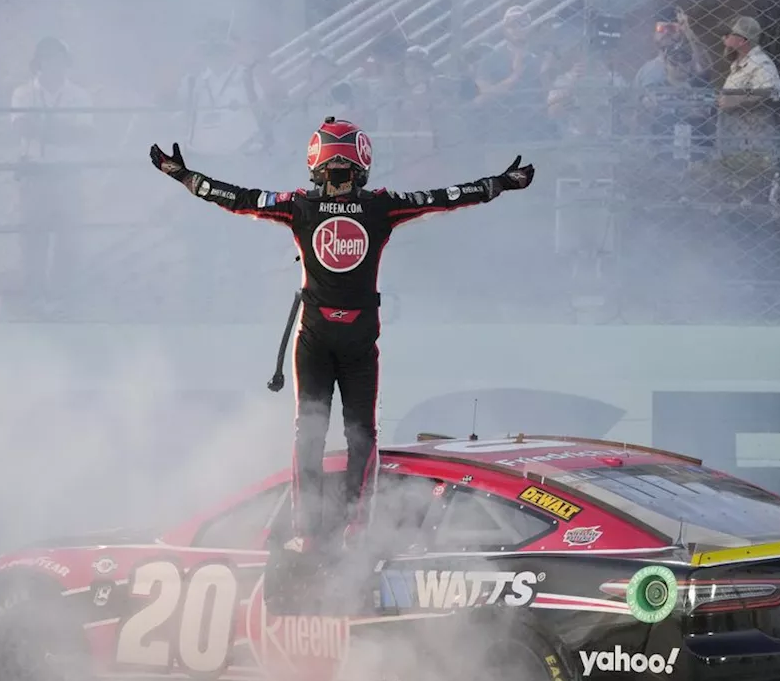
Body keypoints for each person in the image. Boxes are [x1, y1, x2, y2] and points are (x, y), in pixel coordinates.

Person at [148, 117, 535, 553]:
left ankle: (327, 530)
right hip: (343, 342)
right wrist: (500, 183)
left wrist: (184, 177)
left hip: (325, 341)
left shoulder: (304, 206)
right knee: (341, 435)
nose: (338, 184)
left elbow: (237, 199)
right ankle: (327, 529)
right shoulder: (378, 207)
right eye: (336, 176)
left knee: (332, 435)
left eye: (341, 175)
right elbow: (445, 198)